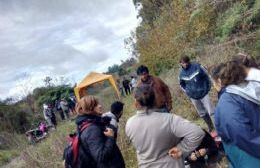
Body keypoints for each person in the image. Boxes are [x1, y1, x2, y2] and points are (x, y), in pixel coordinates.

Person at [126, 85, 205, 168]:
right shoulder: (169, 120)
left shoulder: (129, 124)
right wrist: (181, 148)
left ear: (136, 103)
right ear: (155, 100)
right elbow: (197, 133)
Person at [210, 61, 260, 168]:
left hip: (248, 154)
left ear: (218, 81)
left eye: (213, 82)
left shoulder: (227, 102)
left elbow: (242, 135)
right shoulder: (248, 87)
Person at [74, 95, 125, 168]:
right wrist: (110, 137)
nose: (100, 106)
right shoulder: (92, 129)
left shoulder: (91, 123)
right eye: (96, 105)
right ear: (89, 109)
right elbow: (101, 156)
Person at [179, 55, 214, 132]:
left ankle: (218, 125)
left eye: (186, 62)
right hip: (193, 96)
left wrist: (207, 87)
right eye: (183, 63)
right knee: (201, 113)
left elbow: (207, 75)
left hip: (204, 93)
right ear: (180, 64)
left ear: (189, 61)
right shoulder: (181, 74)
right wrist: (188, 92)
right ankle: (210, 126)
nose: (185, 64)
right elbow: (182, 84)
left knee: (211, 110)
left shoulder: (197, 66)